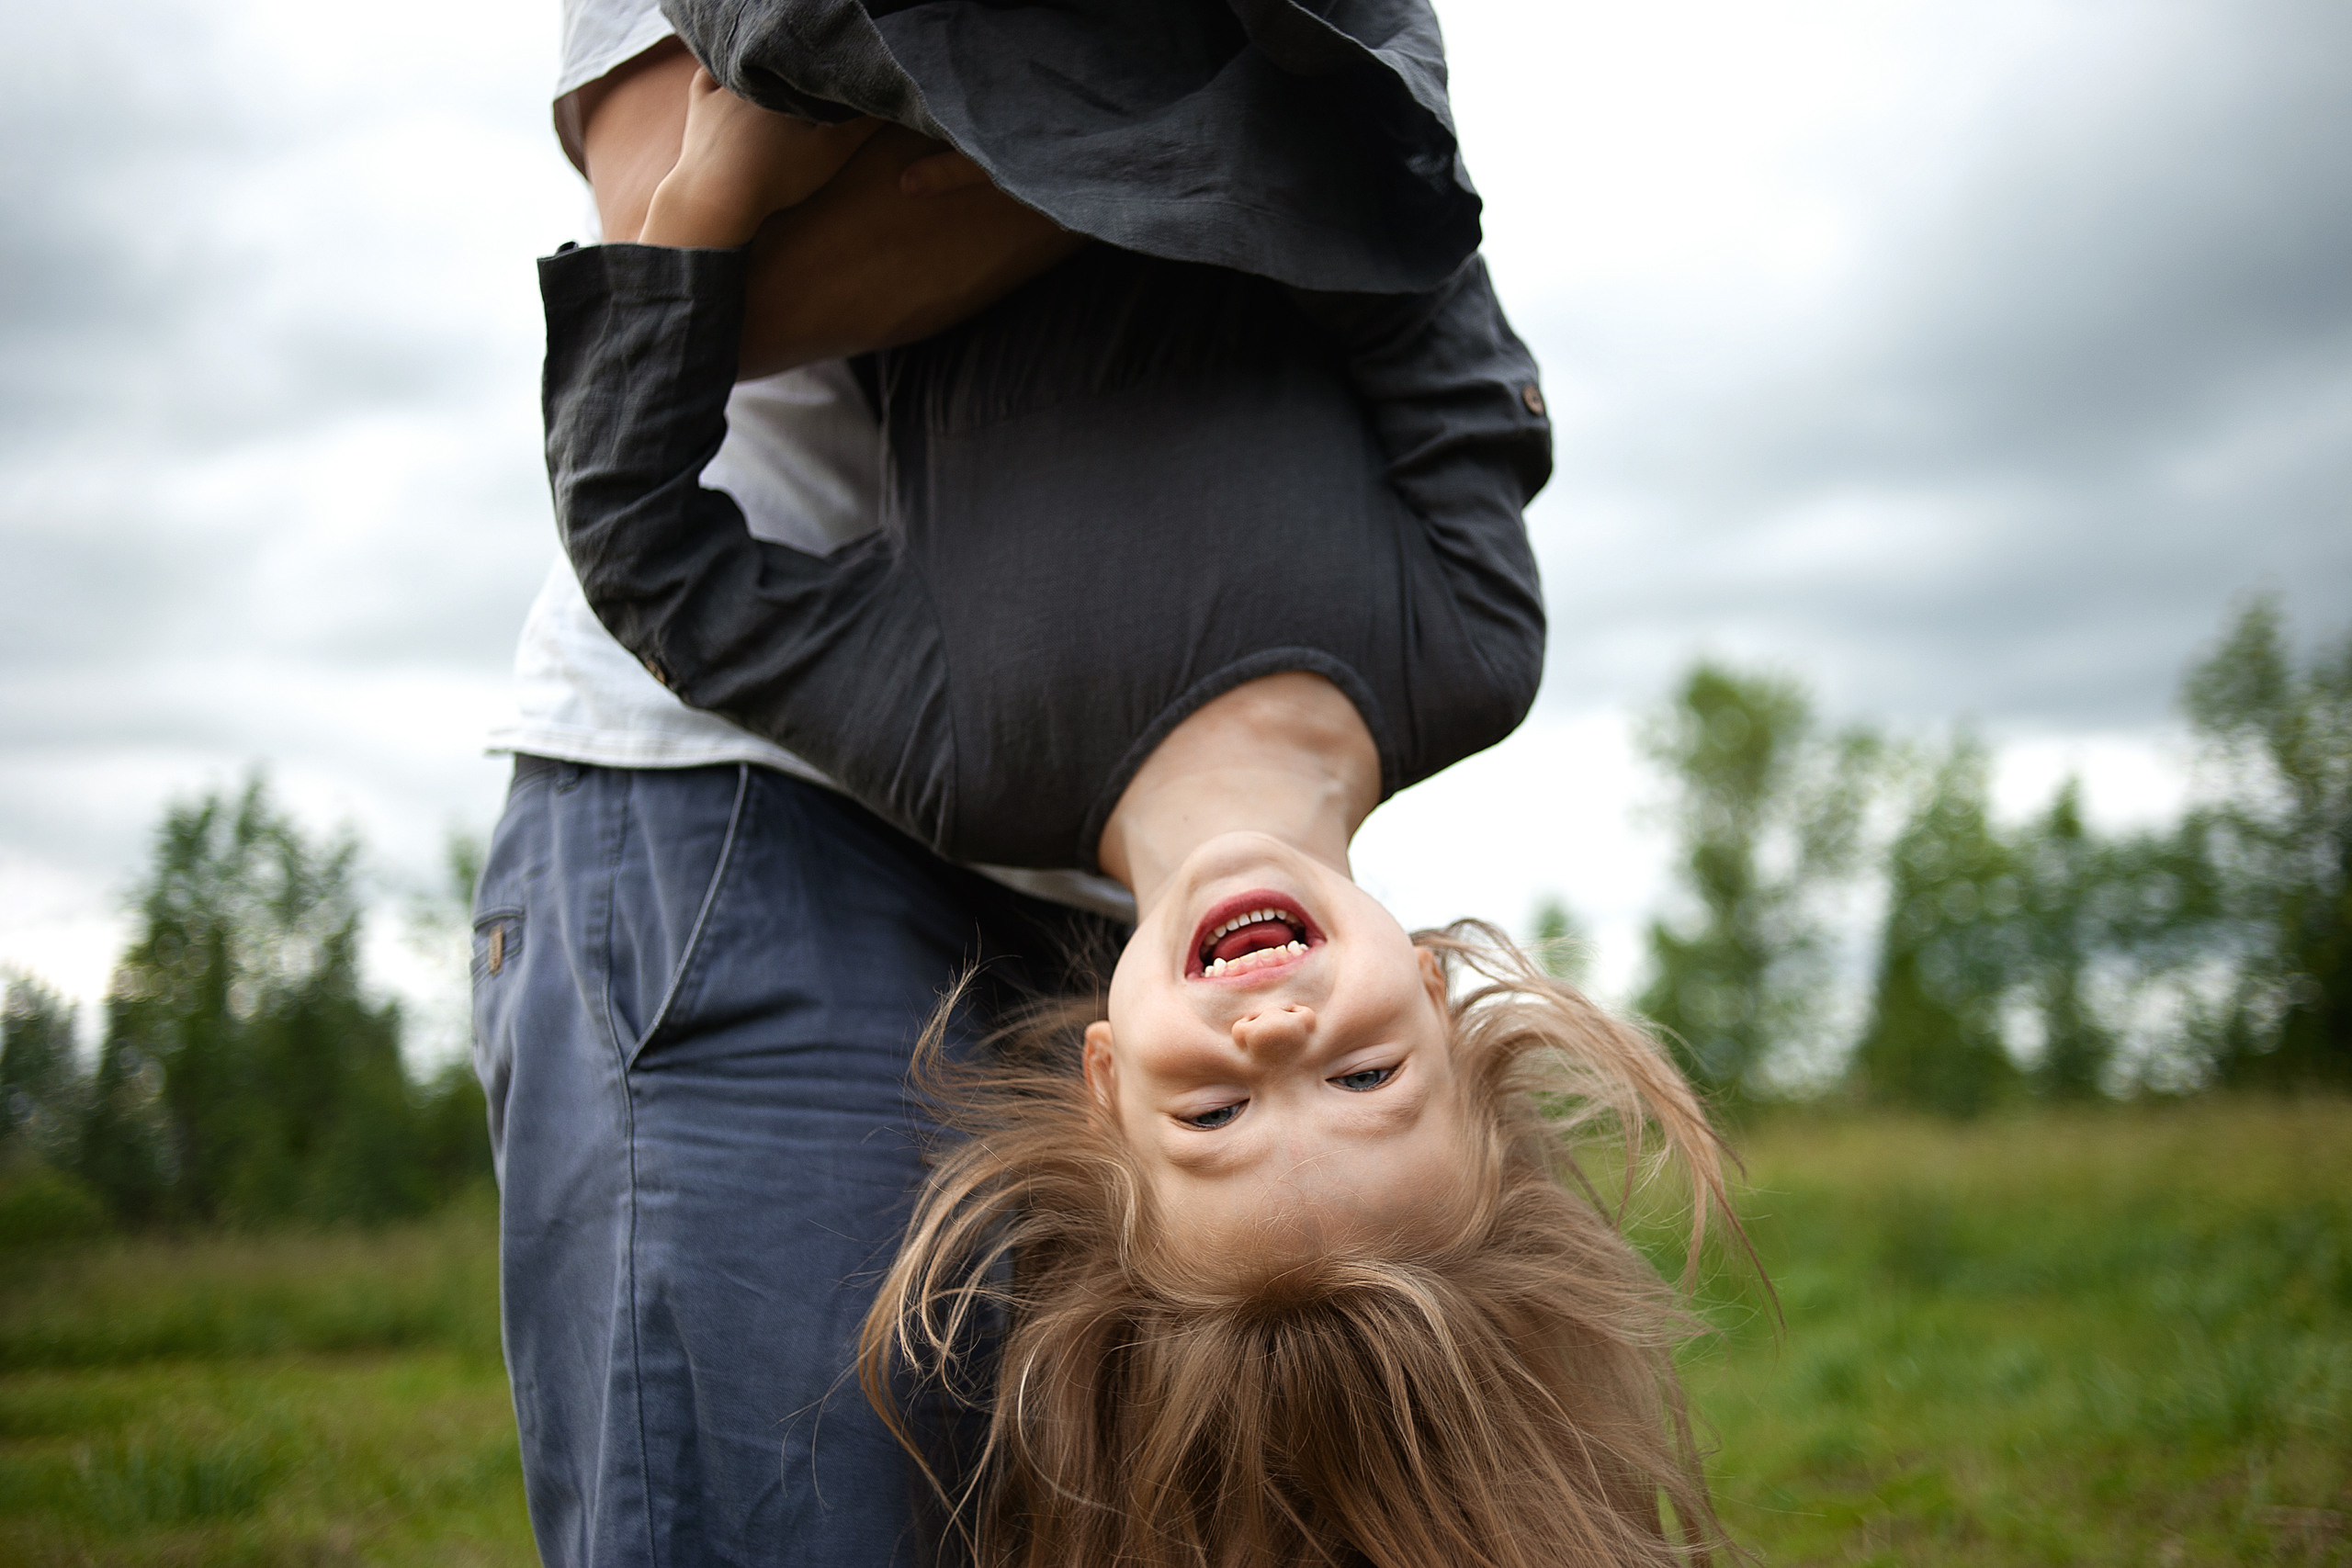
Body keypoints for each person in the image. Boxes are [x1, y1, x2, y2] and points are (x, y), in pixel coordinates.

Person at [538, 53, 1743, 1565]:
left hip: (896, 66)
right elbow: (1410, 249)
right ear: (1440, 998)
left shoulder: (974, 761)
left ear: (1104, 1085)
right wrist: (1189, 103)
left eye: (1216, 1114)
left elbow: (652, 558)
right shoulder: (1473, 644)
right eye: (1366, 1076)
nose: (1276, 1038)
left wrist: (712, 194)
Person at [470, 8, 1131, 1566]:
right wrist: (1209, 144)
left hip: (1110, 856)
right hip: (751, 793)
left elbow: (1391, 204)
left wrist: (1013, 153)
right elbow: (689, 254)